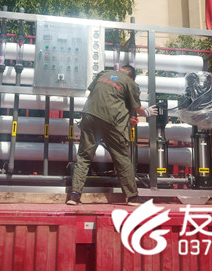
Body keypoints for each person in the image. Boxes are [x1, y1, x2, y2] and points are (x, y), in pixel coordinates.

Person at [67, 65, 157, 206]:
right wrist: (147, 113)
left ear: (121, 70)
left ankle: (74, 195)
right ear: (132, 76)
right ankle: (132, 197)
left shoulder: (103, 74)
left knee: (84, 156)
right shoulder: (130, 83)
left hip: (89, 115)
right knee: (122, 158)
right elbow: (137, 108)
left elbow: (98, 94)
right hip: (111, 121)